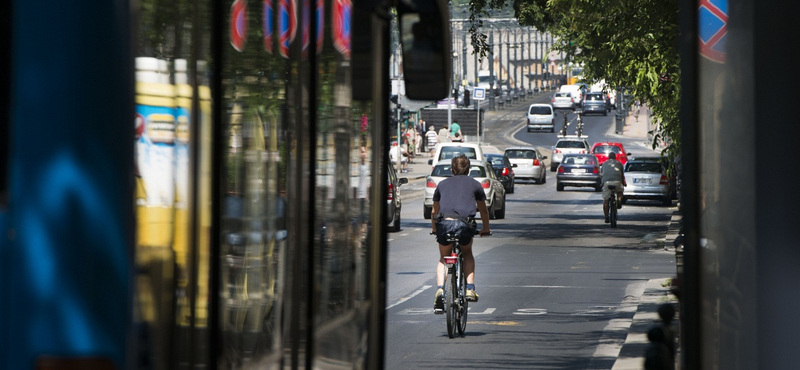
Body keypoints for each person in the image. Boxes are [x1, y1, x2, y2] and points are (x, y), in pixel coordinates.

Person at [431, 155, 491, 308]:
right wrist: (486, 228)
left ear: (451, 169)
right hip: (464, 226)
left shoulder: (442, 184)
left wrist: (434, 228)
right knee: (467, 253)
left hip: (444, 225)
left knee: (443, 258)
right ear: (468, 170)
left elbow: (434, 210)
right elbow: (483, 211)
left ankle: (440, 289)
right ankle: (470, 288)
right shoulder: (475, 185)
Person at [600, 151, 627, 223]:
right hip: (617, 182)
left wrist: (601, 183)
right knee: (620, 192)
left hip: (607, 183)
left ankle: (606, 217)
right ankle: (619, 200)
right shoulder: (619, 164)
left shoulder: (604, 164)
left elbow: (602, 175)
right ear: (615, 157)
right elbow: (622, 175)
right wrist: (624, 183)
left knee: (606, 200)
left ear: (608, 157)